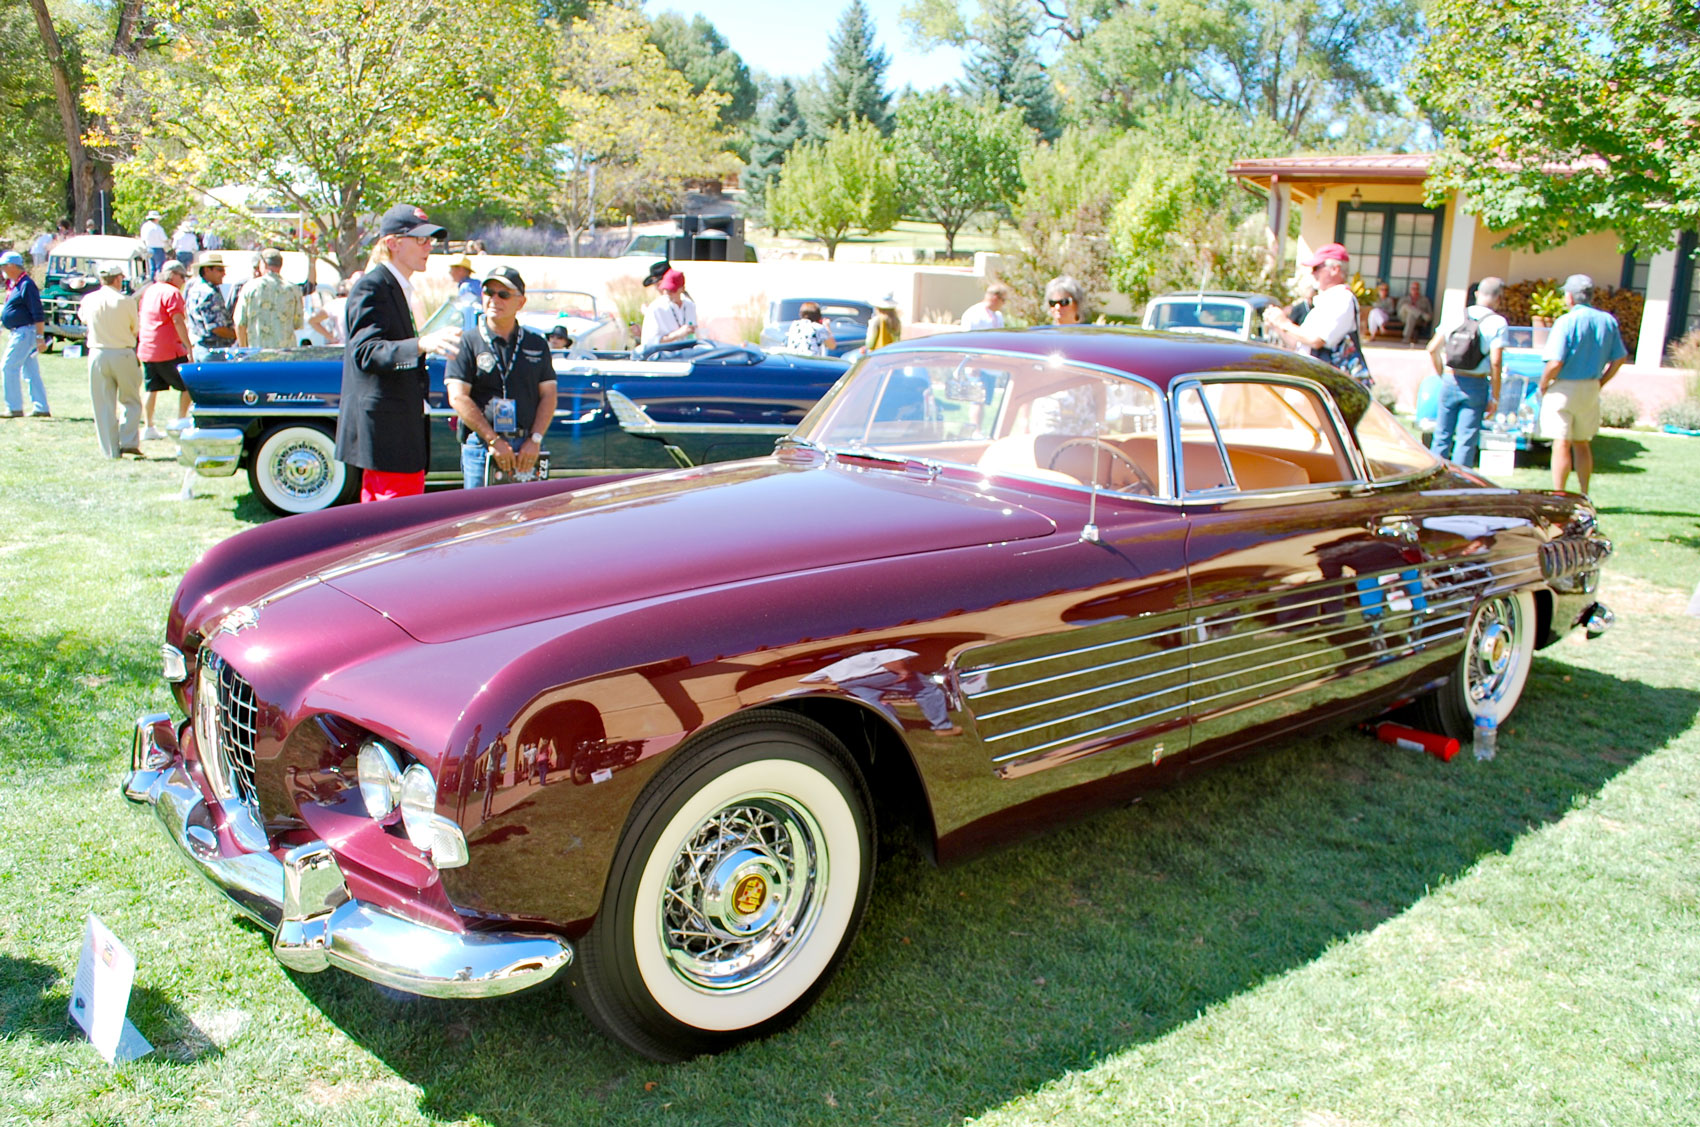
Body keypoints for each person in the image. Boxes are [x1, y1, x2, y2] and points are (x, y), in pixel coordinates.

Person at [334, 202, 462, 503]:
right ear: (392, 244)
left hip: (397, 428)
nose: (428, 246)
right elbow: (366, 352)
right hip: (387, 433)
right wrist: (421, 344)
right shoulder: (373, 287)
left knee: (391, 519)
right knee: (393, 523)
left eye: (430, 240)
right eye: (420, 240)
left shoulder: (393, 286)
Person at [444, 265, 557, 490]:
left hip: (526, 446)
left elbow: (549, 394)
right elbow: (457, 397)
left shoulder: (536, 344)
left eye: (503, 294)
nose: (494, 299)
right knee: (479, 518)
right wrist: (493, 440)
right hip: (482, 446)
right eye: (489, 293)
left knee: (528, 519)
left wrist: (534, 440)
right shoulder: (467, 342)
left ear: (520, 302)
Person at [1539, 274, 1627, 494]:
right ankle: (1584, 493)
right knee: (1582, 442)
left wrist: (1543, 383)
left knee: (1561, 442)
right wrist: (1602, 381)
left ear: (1569, 296)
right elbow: (1620, 358)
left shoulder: (1566, 321)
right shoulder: (1607, 320)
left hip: (1564, 386)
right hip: (1590, 387)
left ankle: (1560, 493)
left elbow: (1555, 362)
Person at [1260, 243, 1370, 386]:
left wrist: (1284, 323)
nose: (1313, 273)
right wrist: (1277, 325)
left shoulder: (1342, 299)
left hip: (1330, 385)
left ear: (1335, 269)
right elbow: (1298, 343)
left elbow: (1316, 340)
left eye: (1317, 268)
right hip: (1314, 379)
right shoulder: (1325, 301)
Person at [1426, 276, 1508, 468]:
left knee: (1441, 435)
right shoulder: (1497, 323)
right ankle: (1459, 480)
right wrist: (1495, 396)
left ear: (1477, 294)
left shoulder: (1455, 315)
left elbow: (1432, 348)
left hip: (1450, 378)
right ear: (1498, 298)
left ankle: (1434, 476)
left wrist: (1442, 373)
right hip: (1476, 383)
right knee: (1466, 439)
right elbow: (1496, 362)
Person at [77, 263, 144, 457]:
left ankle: (110, 449)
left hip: (97, 352)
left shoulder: (89, 299)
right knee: (131, 399)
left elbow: (83, 319)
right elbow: (135, 327)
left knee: (103, 403)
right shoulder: (126, 301)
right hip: (122, 351)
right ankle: (128, 440)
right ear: (117, 279)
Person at [136, 260, 194, 438]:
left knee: (151, 388)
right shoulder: (172, 293)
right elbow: (177, 320)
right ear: (173, 275)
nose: (183, 281)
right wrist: (188, 345)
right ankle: (181, 421)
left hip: (147, 347)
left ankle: (148, 426)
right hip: (169, 349)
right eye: (182, 276)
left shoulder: (150, 290)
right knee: (188, 386)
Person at [0, 250, 50, 417]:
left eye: (4, 266)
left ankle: (14, 407)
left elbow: (37, 312)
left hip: (25, 332)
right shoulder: (16, 284)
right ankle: (41, 407)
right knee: (30, 371)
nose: (2, 270)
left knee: (8, 367)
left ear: (13, 266)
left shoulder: (27, 284)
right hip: (21, 331)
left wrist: (40, 337)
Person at [234, 248, 303, 350]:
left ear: (263, 263)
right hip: (285, 355)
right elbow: (297, 323)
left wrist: (244, 349)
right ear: (280, 265)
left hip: (258, 354)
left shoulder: (250, 287)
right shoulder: (293, 290)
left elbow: (240, 323)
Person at [185, 252, 236, 361]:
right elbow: (216, 328)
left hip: (200, 349)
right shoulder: (209, 294)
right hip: (213, 350)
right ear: (207, 270)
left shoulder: (193, 289)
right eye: (219, 270)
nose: (224, 274)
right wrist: (237, 335)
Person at [640, 268, 696, 349]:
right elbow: (649, 343)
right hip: (663, 357)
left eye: (672, 290)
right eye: (666, 289)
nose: (667, 293)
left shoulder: (690, 305)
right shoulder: (656, 308)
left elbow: (694, 333)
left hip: (687, 354)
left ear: (682, 289)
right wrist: (677, 334)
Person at [138, 211, 169, 277]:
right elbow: (164, 239)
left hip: (149, 248)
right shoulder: (158, 228)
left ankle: (153, 281)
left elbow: (142, 239)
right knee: (160, 267)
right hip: (158, 249)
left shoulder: (144, 227)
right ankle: (160, 281)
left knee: (152, 268)